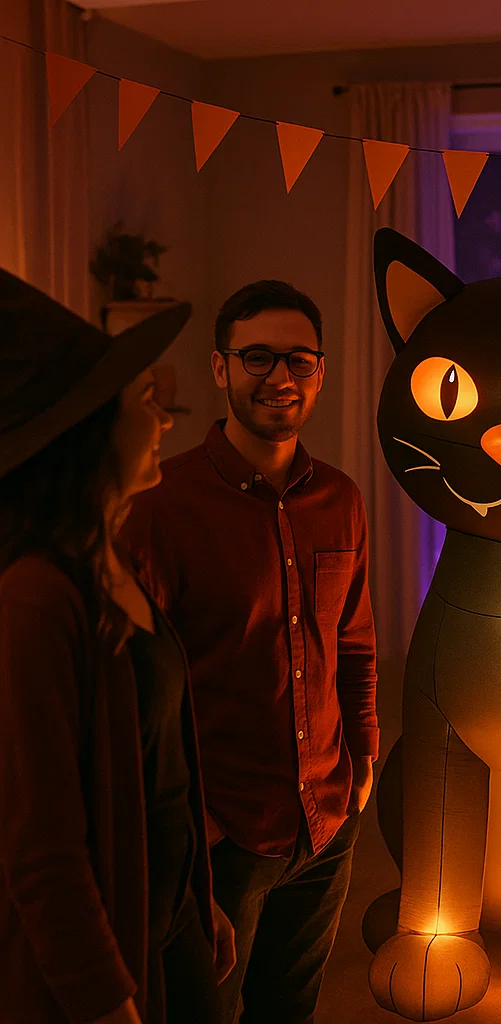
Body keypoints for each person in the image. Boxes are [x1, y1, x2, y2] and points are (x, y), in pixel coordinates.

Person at [120, 279, 379, 1024]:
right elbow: (140, 687)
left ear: (320, 371)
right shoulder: (161, 507)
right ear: (220, 368)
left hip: (328, 817)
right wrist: (188, 830)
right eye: (257, 358)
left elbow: (355, 638)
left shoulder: (341, 497)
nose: (280, 378)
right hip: (223, 830)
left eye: (299, 360)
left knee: (288, 1009)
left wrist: (364, 755)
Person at [0, 271, 235, 1024]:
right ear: (86, 431)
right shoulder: (35, 599)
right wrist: (107, 1004)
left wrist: (199, 899)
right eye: (144, 402)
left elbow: (161, 769)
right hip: (113, 957)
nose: (165, 417)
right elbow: (44, 851)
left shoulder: (112, 563)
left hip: (172, 924)